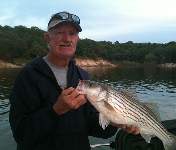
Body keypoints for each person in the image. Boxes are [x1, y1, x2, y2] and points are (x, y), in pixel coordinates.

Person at [9, 11, 139, 150]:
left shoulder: (83, 77)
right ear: (47, 38)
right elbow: (21, 134)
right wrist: (55, 110)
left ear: (77, 39)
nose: (67, 38)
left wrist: (114, 121)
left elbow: (94, 129)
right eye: (59, 32)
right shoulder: (28, 76)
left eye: (72, 33)